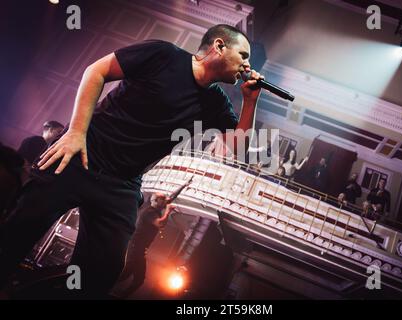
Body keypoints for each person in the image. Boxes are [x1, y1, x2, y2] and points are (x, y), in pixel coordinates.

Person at [0, 24, 263, 298]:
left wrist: (250, 101)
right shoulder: (164, 55)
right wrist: (76, 131)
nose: (246, 64)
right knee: (15, 235)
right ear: (219, 46)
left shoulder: (216, 103)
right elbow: (97, 71)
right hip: (81, 155)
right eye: (243, 55)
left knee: (101, 274)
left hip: (122, 184)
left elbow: (238, 146)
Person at [118, 177, 192, 298]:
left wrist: (184, 185)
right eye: (163, 200)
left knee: (139, 280)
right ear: (156, 201)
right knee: (125, 274)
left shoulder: (158, 207)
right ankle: (101, 287)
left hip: (141, 250)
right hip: (135, 247)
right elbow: (160, 224)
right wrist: (168, 212)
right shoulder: (149, 213)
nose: (166, 201)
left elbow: (171, 197)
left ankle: (121, 296)